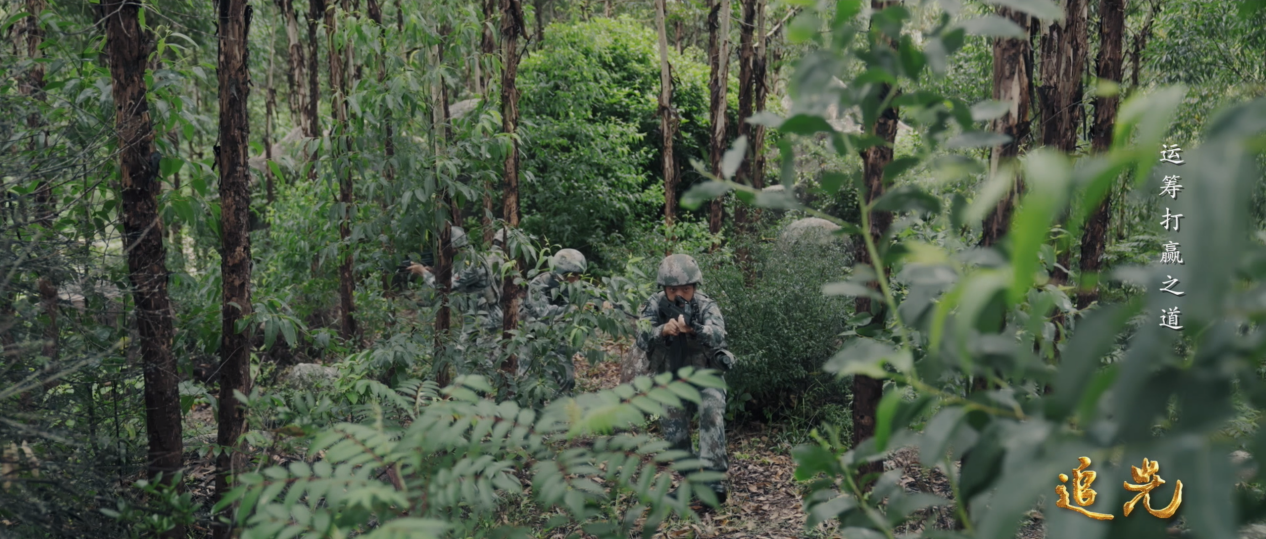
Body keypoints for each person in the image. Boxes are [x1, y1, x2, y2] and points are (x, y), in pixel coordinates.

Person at [636, 253, 736, 506]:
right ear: (664, 289)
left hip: (706, 376)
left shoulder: (705, 305)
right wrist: (662, 330)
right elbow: (641, 335)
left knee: (711, 412)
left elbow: (718, 335)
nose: (680, 294)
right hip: (671, 380)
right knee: (674, 434)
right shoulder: (655, 304)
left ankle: (713, 479)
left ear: (694, 287)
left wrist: (696, 329)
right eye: (673, 289)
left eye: (686, 288)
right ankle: (692, 481)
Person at [518, 249, 589, 393]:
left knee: (567, 380)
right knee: (528, 382)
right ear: (561, 273)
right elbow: (543, 312)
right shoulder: (539, 284)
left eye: (579, 275)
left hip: (558, 338)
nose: (577, 279)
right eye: (573, 275)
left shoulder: (574, 286)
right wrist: (573, 309)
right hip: (534, 338)